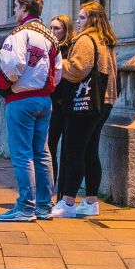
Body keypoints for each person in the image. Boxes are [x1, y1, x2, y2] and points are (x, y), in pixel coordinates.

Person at [48, 2, 119, 218]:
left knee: (73, 151)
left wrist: (58, 63)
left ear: (92, 20)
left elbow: (78, 69)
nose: (77, 21)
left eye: (81, 17)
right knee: (90, 152)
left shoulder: (86, 40)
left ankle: (67, 202)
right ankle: (90, 201)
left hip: (85, 104)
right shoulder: (106, 41)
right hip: (103, 102)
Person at [0, 0, 60, 222]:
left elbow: (13, 65)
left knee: (22, 155)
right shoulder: (51, 37)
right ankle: (43, 206)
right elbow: (58, 71)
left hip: (21, 99)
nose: (14, 10)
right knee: (42, 153)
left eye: (15, 6)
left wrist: (5, 86)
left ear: (24, 7)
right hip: (44, 100)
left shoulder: (18, 35)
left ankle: (25, 207)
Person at [46, 14, 76, 202]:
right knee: (49, 148)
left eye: (57, 29)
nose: (52, 32)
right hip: (52, 104)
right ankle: (48, 191)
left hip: (66, 105)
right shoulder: (49, 48)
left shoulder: (69, 49)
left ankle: (62, 196)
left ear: (66, 30)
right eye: (51, 28)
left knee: (66, 151)